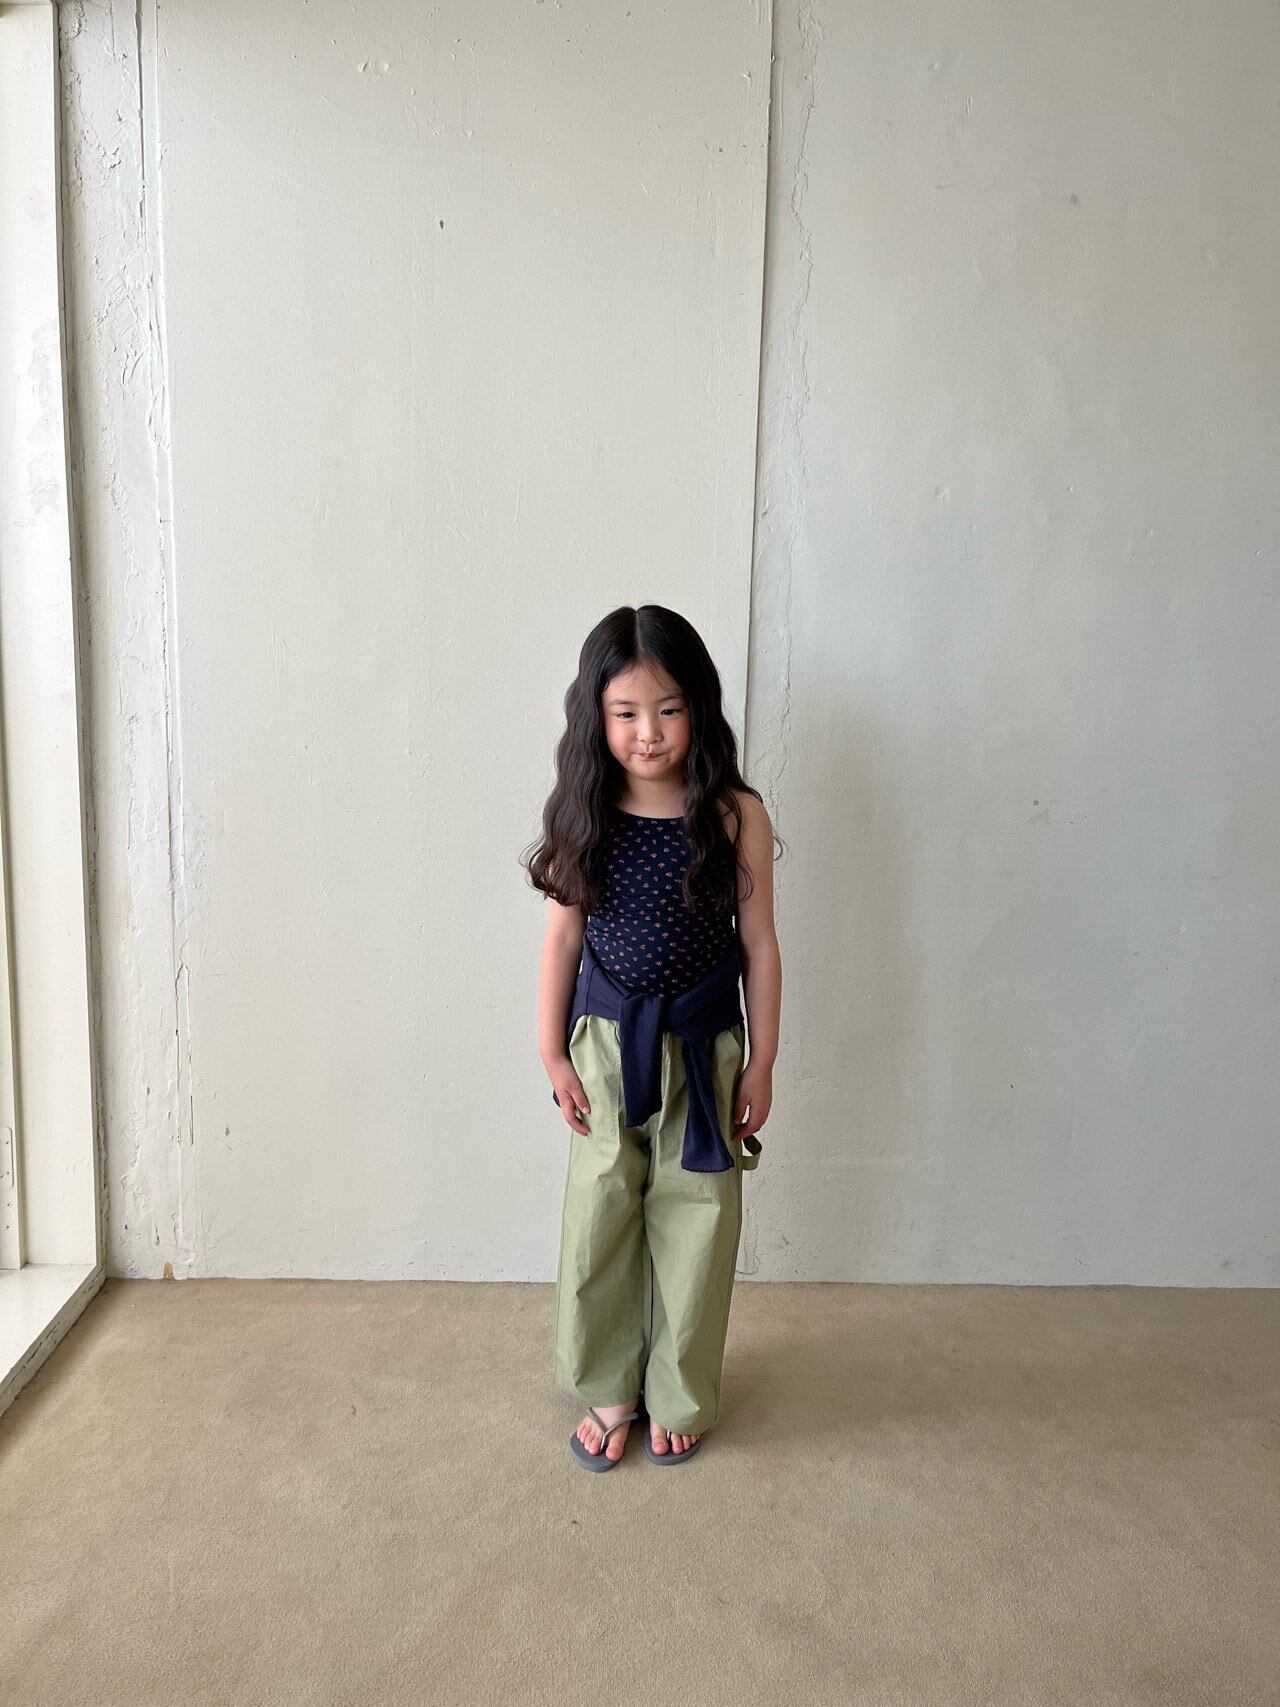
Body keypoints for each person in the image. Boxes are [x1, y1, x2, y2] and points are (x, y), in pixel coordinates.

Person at [522, 604, 783, 1469]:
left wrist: (763, 1060)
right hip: (604, 1045)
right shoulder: (588, 810)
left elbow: (760, 944)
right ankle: (608, 1383)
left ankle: (680, 1389)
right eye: (626, 712)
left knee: (697, 1220)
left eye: (668, 709)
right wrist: (553, 1051)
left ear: (699, 707)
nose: (649, 732)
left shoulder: (735, 814)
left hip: (706, 1049)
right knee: (600, 1214)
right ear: (595, 717)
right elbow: (563, 938)